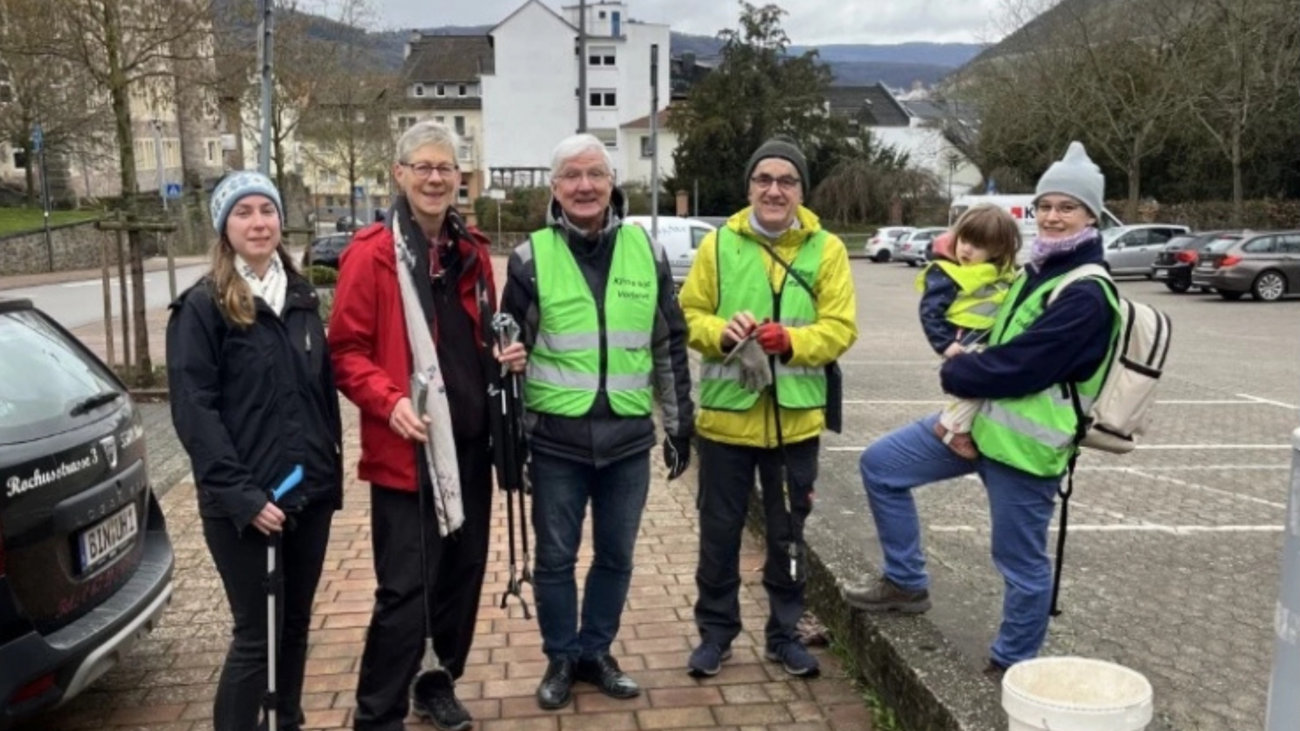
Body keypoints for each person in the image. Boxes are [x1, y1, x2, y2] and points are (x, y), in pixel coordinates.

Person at [847, 141, 1120, 682]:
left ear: (1092, 215)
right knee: (881, 466)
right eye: (1046, 205)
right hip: (976, 426)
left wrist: (956, 372)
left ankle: (1013, 663)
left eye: (1068, 207)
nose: (1053, 216)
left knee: (1020, 564)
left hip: (1024, 446)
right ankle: (906, 581)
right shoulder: (1035, 271)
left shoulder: (1086, 292)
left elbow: (1023, 366)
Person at [498, 133, 695, 710]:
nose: (584, 187)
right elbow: (510, 349)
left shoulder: (648, 252)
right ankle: (561, 656)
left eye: (595, 175)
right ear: (555, 188)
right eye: (571, 177)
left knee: (616, 556)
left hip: (627, 442)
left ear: (613, 183)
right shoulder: (531, 256)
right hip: (556, 442)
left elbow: (669, 345)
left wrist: (680, 428)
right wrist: (512, 444)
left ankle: (596, 651)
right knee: (555, 558)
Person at [328, 121, 503, 731]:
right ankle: (377, 714)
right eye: (422, 167)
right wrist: (388, 399)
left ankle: (438, 683)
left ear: (459, 178)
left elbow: (482, 335)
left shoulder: (471, 252)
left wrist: (503, 356)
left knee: (462, 577)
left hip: (471, 449)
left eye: (445, 168)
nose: (435, 178)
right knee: (405, 591)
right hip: (407, 452)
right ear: (399, 174)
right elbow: (345, 351)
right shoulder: (371, 254)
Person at [167, 171, 343, 731]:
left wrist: (327, 474)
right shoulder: (202, 307)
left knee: (293, 626)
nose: (258, 222)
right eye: (243, 212)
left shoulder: (299, 297)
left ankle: (285, 722)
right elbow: (195, 412)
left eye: (266, 210)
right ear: (224, 228)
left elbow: (316, 395)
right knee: (256, 636)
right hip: (245, 505)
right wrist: (242, 496)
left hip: (305, 494)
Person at [677, 135, 858, 679]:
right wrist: (720, 331)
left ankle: (784, 635)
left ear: (801, 189)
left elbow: (842, 327)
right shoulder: (717, 246)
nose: (774, 190)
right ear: (749, 185)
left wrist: (795, 342)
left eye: (786, 180)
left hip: (794, 424)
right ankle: (715, 634)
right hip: (727, 421)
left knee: (788, 536)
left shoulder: (827, 249)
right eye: (764, 179)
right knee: (718, 536)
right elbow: (688, 315)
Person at [916, 206, 1020, 460]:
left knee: (984, 387)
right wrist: (945, 344)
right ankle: (952, 428)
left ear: (996, 250)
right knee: (979, 385)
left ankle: (962, 425)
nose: (966, 249)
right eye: (963, 240)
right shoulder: (948, 274)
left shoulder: (1000, 273)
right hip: (964, 341)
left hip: (985, 339)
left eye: (977, 245)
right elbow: (930, 311)